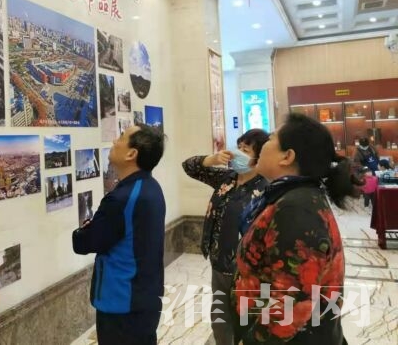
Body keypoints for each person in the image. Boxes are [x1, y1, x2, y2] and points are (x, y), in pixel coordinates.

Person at [232, 113, 359, 345]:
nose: (264, 145)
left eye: (271, 139)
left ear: (287, 156)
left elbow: (290, 303)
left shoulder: (296, 209)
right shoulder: (291, 196)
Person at [72, 124, 165, 345]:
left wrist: (81, 232)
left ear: (132, 154)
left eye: (121, 137)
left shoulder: (122, 198)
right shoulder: (151, 187)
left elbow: (85, 242)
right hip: (144, 299)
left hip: (122, 303)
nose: (115, 141)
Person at [182, 129, 269, 345]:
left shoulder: (266, 187)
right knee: (220, 317)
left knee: (246, 319)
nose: (238, 153)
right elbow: (189, 166)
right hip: (219, 260)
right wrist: (211, 159)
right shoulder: (226, 178)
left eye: (245, 150)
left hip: (247, 268)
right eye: (238, 147)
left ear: (258, 157)